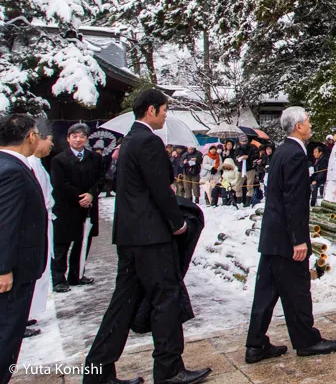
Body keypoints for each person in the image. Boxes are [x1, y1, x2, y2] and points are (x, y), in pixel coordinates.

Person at [84, 89, 212, 384]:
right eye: (165, 110)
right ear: (151, 110)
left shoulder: (129, 140)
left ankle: (98, 370)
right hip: (152, 235)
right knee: (165, 299)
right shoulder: (149, 141)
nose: (166, 115)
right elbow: (160, 189)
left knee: (123, 303)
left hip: (130, 234)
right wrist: (177, 222)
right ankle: (169, 369)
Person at [245, 106, 336, 364]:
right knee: (297, 289)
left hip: (272, 235)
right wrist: (299, 238)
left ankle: (255, 343)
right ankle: (307, 340)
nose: (310, 124)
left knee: (266, 292)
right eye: (307, 120)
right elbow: (294, 200)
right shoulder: (296, 154)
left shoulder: (280, 152)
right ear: (298, 126)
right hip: (287, 237)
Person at [0, 114, 47, 384]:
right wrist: (3, 268)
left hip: (17, 265)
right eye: (37, 133)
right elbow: (5, 222)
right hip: (14, 270)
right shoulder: (11, 170)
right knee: (7, 333)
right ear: (30, 136)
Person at [49, 123, 102, 293]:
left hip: (88, 207)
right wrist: (80, 196)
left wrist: (91, 195)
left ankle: (76, 274)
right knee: (62, 245)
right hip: (67, 206)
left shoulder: (94, 158)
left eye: (82, 136)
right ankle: (58, 279)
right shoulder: (59, 159)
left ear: (87, 139)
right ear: (68, 138)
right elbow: (59, 183)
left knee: (83, 242)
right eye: (74, 136)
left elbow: (100, 179)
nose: (78, 139)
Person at [25, 122, 55, 340]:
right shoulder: (29, 164)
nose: (52, 144)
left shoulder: (37, 163)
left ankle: (25, 314)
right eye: (49, 139)